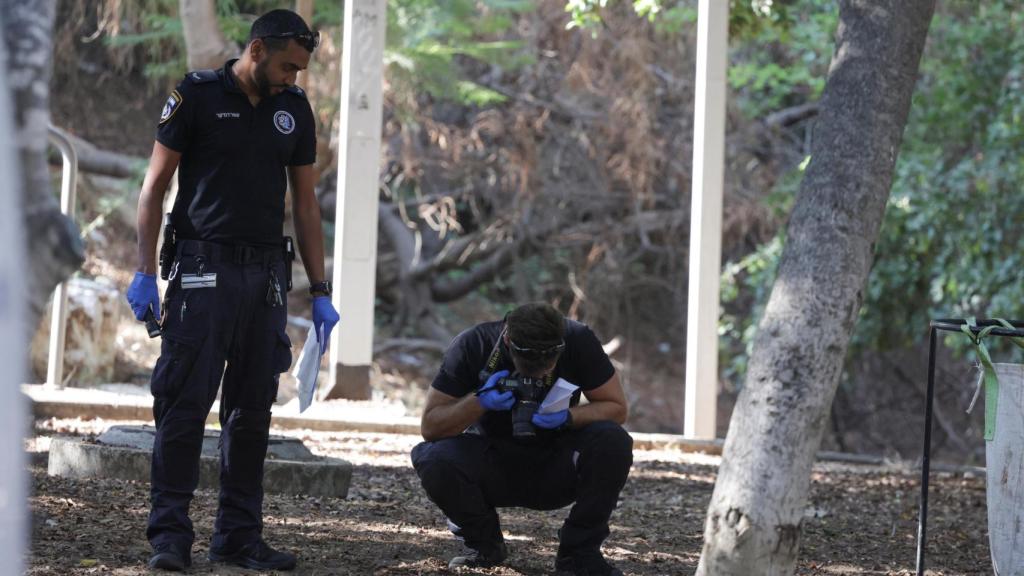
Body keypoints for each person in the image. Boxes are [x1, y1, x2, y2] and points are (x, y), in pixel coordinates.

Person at [124, 9, 338, 572]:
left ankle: (238, 537)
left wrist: (320, 289)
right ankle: (170, 538)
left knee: (251, 412)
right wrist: (144, 270)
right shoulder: (195, 96)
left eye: (301, 68)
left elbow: (307, 205)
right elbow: (154, 187)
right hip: (201, 273)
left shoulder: (293, 109)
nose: (295, 77)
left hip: (265, 277)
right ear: (258, 49)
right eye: (289, 65)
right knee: (184, 406)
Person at [411, 303, 633, 576]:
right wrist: (479, 401)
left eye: (544, 367)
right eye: (528, 367)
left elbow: (617, 408)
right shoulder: (475, 344)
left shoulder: (578, 340)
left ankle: (579, 555)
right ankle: (484, 546)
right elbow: (430, 427)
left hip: (556, 462)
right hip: (493, 462)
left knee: (613, 441)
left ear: (560, 347)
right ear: (507, 340)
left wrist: (568, 417)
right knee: (433, 457)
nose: (537, 374)